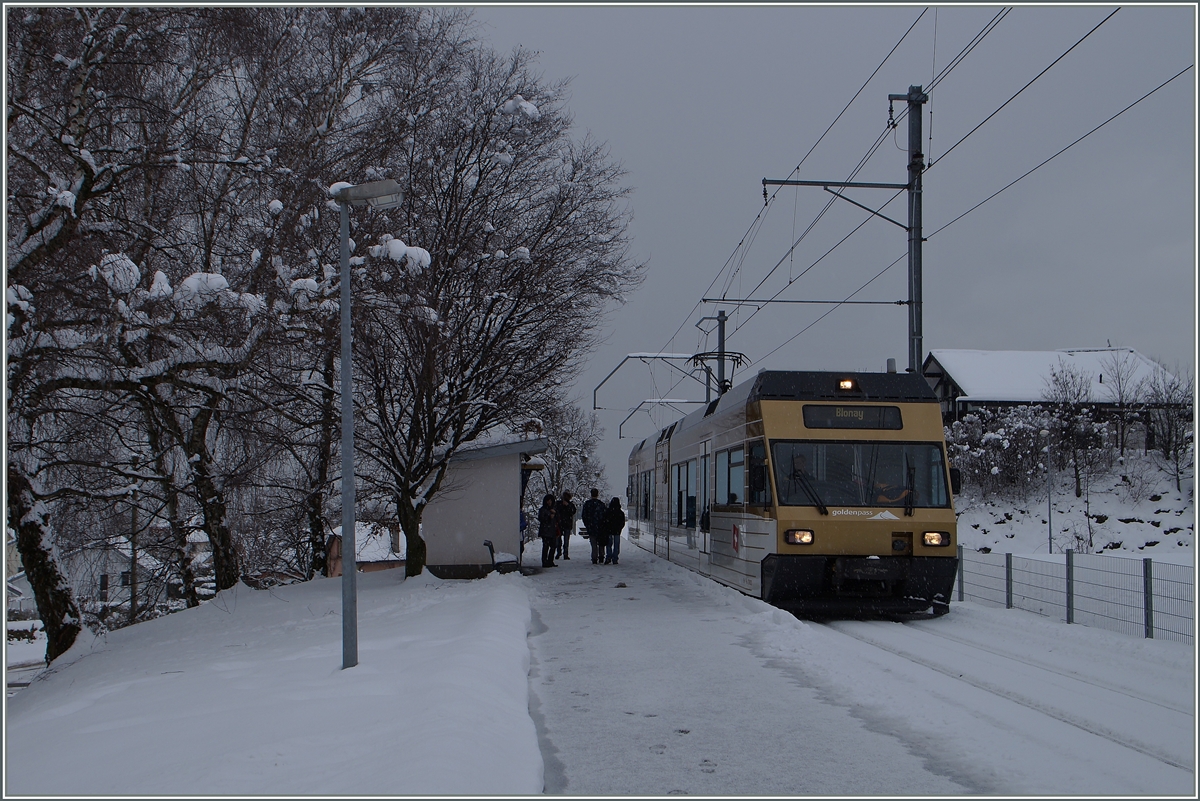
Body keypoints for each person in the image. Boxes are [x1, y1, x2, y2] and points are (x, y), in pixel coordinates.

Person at [581, 488, 607, 564]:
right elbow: (605, 515)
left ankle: (594, 557)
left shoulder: (587, 504)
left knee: (593, 543)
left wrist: (587, 524)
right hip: (600, 527)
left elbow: (584, 516)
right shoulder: (601, 504)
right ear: (597, 494)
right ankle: (601, 556)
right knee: (601, 543)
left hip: (591, 527)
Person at [602, 497, 625, 565]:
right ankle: (615, 558)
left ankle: (608, 557)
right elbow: (622, 522)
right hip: (617, 531)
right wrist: (619, 528)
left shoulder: (608, 512)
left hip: (609, 530)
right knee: (616, 545)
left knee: (609, 544)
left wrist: (606, 528)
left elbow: (604, 521)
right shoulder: (620, 513)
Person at [537, 493, 558, 567]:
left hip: (552, 531)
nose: (549, 502)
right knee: (546, 547)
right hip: (545, 531)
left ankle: (550, 561)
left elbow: (558, 519)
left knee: (553, 546)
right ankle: (545, 561)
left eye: (550, 500)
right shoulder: (543, 510)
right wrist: (549, 517)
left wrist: (555, 514)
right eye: (548, 500)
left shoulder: (553, 509)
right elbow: (541, 518)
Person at [555, 491, 577, 560]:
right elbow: (556, 511)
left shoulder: (570, 505)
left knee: (565, 540)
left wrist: (567, 506)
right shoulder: (558, 504)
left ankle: (565, 553)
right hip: (561, 523)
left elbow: (573, 511)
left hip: (566, 524)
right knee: (559, 540)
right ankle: (559, 552)